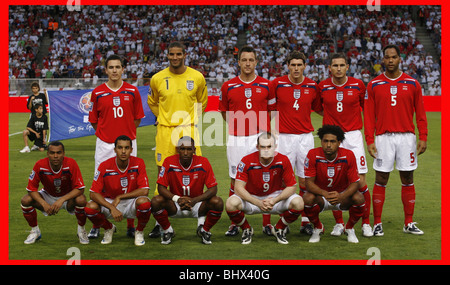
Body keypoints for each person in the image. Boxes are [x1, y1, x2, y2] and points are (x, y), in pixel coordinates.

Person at [364, 45, 428, 236]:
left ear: (400, 59)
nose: (390, 60)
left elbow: (421, 113)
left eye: (393, 57)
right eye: (387, 57)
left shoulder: (412, 83)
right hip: (383, 138)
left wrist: (423, 136)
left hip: (407, 137)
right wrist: (369, 140)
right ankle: (377, 224)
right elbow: (368, 116)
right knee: (381, 178)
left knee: (407, 178)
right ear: (382, 60)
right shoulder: (374, 84)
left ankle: (408, 223)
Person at [147, 41, 208, 238]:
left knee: (197, 171)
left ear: (184, 55)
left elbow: (202, 101)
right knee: (162, 173)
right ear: (168, 56)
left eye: (178, 54)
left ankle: (201, 221)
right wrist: (162, 117)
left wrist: (191, 121)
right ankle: (160, 222)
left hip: (188, 130)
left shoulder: (197, 77)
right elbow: (152, 101)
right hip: (165, 131)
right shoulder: (157, 78)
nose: (175, 57)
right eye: (171, 54)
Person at [88, 54, 145, 238]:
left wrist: (124, 139)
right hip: (104, 144)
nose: (114, 70)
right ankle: (99, 224)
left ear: (123, 69)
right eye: (111, 67)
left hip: (128, 143)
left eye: (118, 67)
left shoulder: (132, 92)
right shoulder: (97, 93)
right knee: (100, 185)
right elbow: (94, 121)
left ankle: (130, 223)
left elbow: (137, 119)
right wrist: (108, 136)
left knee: (130, 181)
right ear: (106, 70)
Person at [219, 45, 273, 237]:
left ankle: (267, 222)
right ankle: (237, 222)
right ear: (239, 62)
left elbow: (272, 112)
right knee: (235, 179)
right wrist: (238, 126)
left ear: (256, 62)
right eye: (244, 60)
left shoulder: (267, 85)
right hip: (237, 138)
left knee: (263, 176)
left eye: (251, 60)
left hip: (260, 138)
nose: (248, 63)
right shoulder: (228, 86)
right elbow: (224, 112)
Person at [318, 53, 373, 237]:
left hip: (354, 136)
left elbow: (365, 108)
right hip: (332, 136)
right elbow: (319, 107)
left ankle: (365, 222)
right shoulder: (323, 86)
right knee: (333, 181)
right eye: (335, 65)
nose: (339, 68)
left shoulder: (358, 85)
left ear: (347, 67)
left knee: (361, 182)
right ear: (330, 68)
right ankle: (339, 223)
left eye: (342, 65)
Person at [269, 50, 322, 235]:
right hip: (284, 137)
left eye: (300, 64)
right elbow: (270, 108)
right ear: (288, 66)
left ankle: (305, 220)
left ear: (305, 66)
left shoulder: (313, 86)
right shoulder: (277, 84)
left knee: (305, 180)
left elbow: (319, 109)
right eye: (293, 65)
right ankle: (284, 219)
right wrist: (272, 131)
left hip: (305, 137)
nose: (296, 68)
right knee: (283, 179)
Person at [225, 132, 304, 245]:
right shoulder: (246, 160)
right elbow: (238, 188)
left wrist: (275, 200)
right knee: (230, 203)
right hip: (252, 200)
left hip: (275, 200)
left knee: (299, 202)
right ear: (257, 147)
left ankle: (279, 228)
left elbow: (292, 186)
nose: (266, 150)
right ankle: (247, 229)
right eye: (263, 146)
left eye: (269, 146)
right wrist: (257, 202)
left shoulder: (283, 160)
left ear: (275, 146)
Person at [151, 136, 223, 245]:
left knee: (217, 202)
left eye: (189, 149)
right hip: (175, 205)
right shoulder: (168, 162)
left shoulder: (203, 162)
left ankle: (205, 230)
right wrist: (177, 199)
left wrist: (194, 200)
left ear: (194, 150)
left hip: (197, 205)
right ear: (177, 149)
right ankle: (168, 230)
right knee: (156, 201)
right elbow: (161, 187)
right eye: (182, 149)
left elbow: (213, 189)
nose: (185, 153)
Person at [303, 125, 365, 243]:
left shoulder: (348, 155)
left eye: (332, 141)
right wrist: (324, 193)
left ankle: (349, 228)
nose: (328, 145)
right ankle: (317, 227)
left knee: (359, 198)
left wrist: (342, 196)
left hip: (342, 197)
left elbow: (355, 183)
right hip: (321, 196)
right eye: (325, 141)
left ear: (339, 142)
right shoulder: (312, 154)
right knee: (307, 198)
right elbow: (308, 183)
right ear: (321, 141)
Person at [85, 135, 151, 246]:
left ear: (131, 149)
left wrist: (119, 197)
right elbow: (93, 193)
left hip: (130, 202)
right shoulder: (104, 166)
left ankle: (139, 231)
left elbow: (144, 191)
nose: (123, 151)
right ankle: (108, 228)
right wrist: (111, 207)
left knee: (145, 202)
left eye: (127, 148)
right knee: (90, 208)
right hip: (111, 203)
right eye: (120, 148)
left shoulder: (139, 163)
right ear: (115, 149)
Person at [21, 141, 89, 244]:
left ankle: (81, 230)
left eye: (59, 153)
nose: (55, 156)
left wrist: (61, 200)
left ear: (64, 153)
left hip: (67, 197)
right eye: (52, 153)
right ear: (47, 153)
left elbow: (80, 189)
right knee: (25, 200)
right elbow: (31, 189)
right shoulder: (40, 164)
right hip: (48, 195)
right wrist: (44, 204)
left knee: (81, 199)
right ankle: (35, 231)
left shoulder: (71, 163)